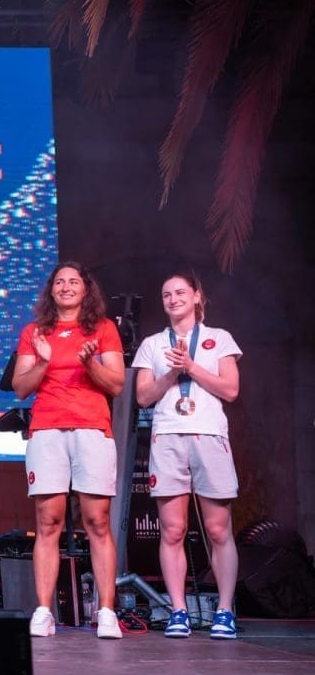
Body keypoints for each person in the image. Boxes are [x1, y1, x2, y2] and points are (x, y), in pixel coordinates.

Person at [12, 261, 125, 639]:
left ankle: (106, 611)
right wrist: (44, 360)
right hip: (47, 430)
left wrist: (90, 363)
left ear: (85, 289)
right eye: (59, 282)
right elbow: (21, 387)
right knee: (48, 522)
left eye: (73, 281)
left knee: (97, 521)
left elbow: (116, 384)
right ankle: (44, 611)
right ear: (51, 291)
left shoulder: (103, 329)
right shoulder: (34, 332)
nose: (65, 287)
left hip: (92, 429)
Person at [133, 273, 241, 639]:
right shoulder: (152, 344)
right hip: (167, 437)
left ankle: (224, 610)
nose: (173, 298)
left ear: (196, 296)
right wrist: (171, 375)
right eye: (166, 294)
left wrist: (192, 367)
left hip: (209, 435)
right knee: (173, 530)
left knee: (218, 529)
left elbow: (231, 389)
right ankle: (178, 610)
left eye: (180, 292)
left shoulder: (219, 338)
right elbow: (143, 397)